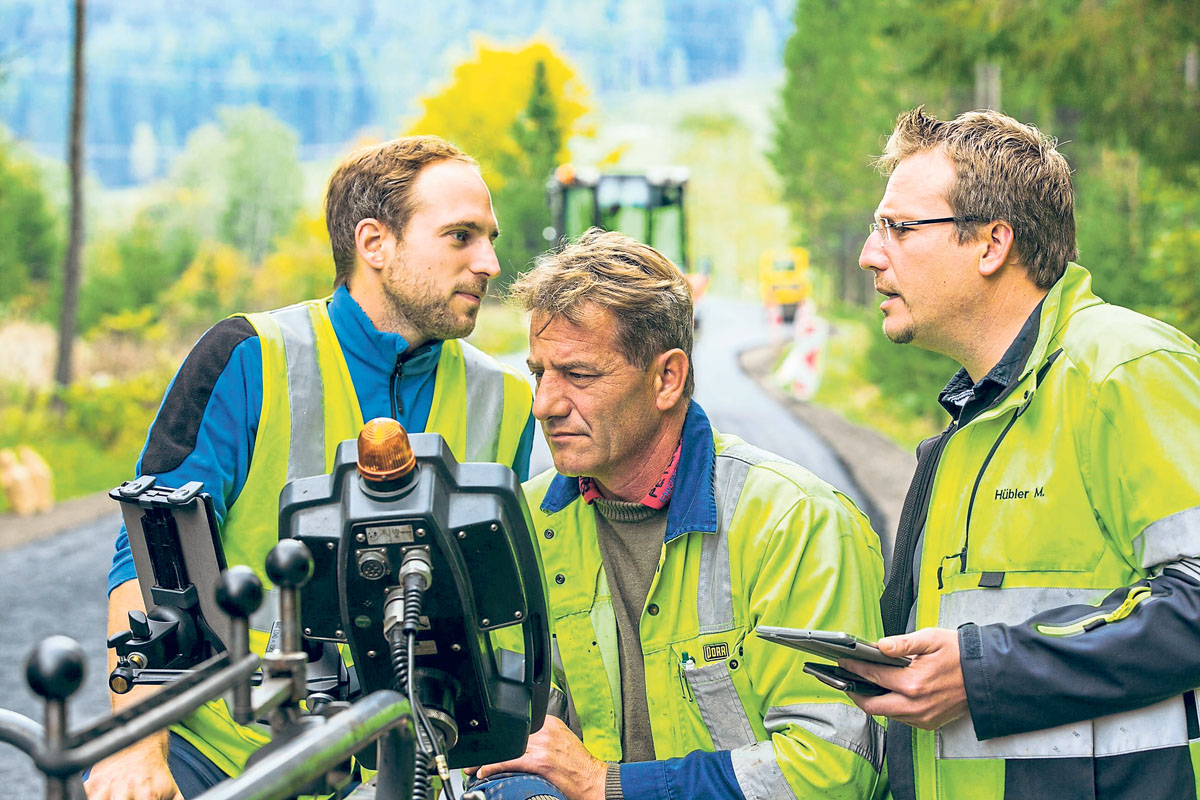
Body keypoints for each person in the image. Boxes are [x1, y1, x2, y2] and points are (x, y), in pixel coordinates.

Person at [84, 136, 536, 799]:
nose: (490, 262)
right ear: (375, 244)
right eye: (461, 237)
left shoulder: (509, 400)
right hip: (230, 754)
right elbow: (151, 563)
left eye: (489, 238)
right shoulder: (250, 357)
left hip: (417, 764)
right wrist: (136, 750)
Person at [844, 106, 1200, 800]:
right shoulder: (968, 426)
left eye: (899, 228)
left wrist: (983, 673)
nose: (870, 253)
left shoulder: (1125, 369)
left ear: (991, 243)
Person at [470, 228, 889, 800]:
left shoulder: (798, 523)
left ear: (667, 377)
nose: (545, 404)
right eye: (539, 372)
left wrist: (608, 786)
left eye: (579, 374)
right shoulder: (527, 524)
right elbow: (515, 737)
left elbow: (832, 770)